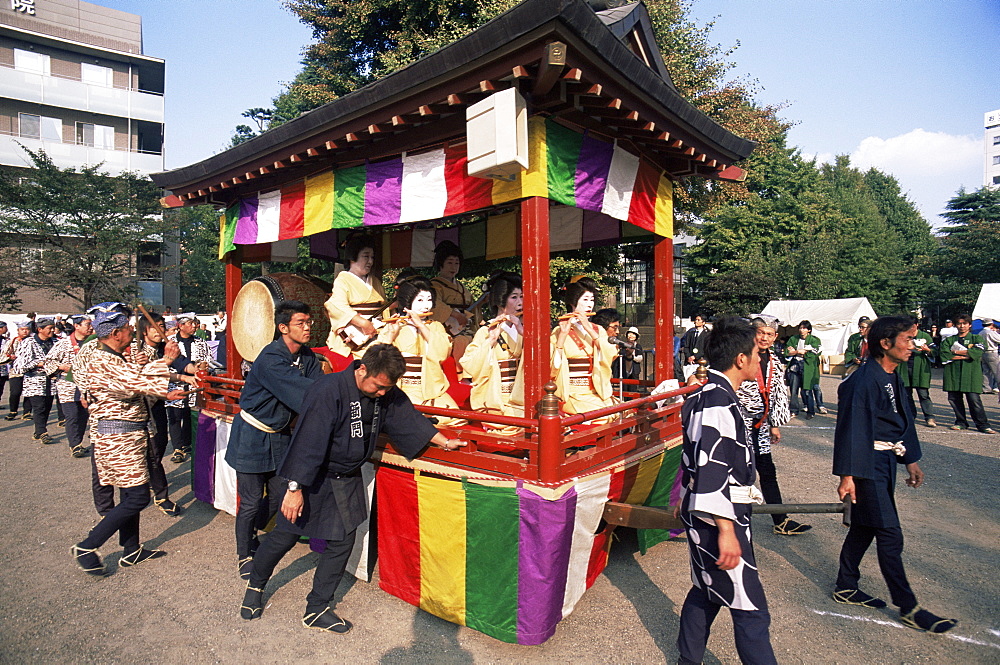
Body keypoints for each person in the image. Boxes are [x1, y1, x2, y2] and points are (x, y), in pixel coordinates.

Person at [239, 344, 465, 632]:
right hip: (312, 477)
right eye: (379, 385)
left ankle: (317, 608)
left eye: (387, 387)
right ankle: (255, 586)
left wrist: (444, 442)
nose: (382, 393)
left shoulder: (383, 391)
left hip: (346, 478)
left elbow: (407, 417)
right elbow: (308, 441)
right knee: (284, 534)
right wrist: (294, 489)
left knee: (342, 542)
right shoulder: (328, 390)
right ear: (361, 369)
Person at [832, 316, 957, 633]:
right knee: (889, 531)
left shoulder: (892, 376)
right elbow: (852, 431)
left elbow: (901, 420)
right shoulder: (862, 381)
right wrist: (847, 476)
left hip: (885, 461)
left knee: (865, 525)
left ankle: (845, 585)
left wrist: (910, 459)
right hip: (866, 465)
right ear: (885, 344)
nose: (912, 346)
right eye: (907, 340)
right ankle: (909, 607)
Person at [677, 316, 777, 665]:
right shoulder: (717, 401)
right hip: (718, 516)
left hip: (711, 508)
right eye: (756, 353)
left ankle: (688, 660)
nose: (760, 360)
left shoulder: (709, 393)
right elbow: (711, 467)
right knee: (750, 609)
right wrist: (727, 531)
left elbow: (693, 456)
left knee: (706, 591)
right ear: (740, 360)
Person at [70, 309, 195, 577]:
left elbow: (137, 373)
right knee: (138, 497)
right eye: (127, 328)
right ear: (115, 334)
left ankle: (131, 550)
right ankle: (87, 545)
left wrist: (172, 379)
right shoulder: (102, 360)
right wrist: (167, 360)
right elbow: (134, 381)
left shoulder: (112, 357)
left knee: (129, 493)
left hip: (130, 435)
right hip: (118, 437)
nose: (131, 331)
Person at [226, 300, 323, 580]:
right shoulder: (270, 358)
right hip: (252, 435)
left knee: (281, 496)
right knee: (252, 500)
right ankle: (244, 553)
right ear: (283, 327)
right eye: (300, 323)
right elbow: (307, 394)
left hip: (281, 436)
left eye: (309, 322)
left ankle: (253, 534)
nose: (307, 328)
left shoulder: (307, 357)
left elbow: (319, 388)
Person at [737, 317, 811, 536]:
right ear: (753, 333)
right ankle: (732, 521)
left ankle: (781, 519)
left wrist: (775, 424)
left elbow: (778, 393)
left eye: (770, 334)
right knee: (740, 472)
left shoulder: (775, 361)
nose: (765, 338)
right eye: (761, 333)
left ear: (775, 337)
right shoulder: (741, 356)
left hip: (761, 424)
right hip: (739, 424)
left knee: (768, 471)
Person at [377, 276, 465, 427]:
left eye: (429, 300)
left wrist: (422, 327)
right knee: (412, 420)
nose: (426, 305)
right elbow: (378, 356)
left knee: (454, 420)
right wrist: (391, 335)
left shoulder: (436, 326)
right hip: (403, 389)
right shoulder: (394, 325)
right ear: (407, 303)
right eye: (420, 300)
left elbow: (443, 353)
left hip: (432, 389)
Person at [131, 312, 184, 517]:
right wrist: (139, 364)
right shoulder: (135, 351)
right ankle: (160, 494)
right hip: (139, 409)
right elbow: (137, 378)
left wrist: (189, 373)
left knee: (159, 445)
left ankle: (150, 479)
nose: (160, 331)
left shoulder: (164, 348)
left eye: (162, 326)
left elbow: (176, 366)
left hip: (158, 404)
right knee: (152, 452)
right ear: (144, 330)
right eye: (155, 327)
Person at [460, 271, 525, 435]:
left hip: (522, 393)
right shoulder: (485, 330)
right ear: (501, 300)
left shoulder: (524, 329)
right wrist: (490, 341)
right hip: (496, 395)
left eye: (522, 297)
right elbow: (469, 363)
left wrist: (522, 331)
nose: (520, 302)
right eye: (514, 297)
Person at [551, 276, 618, 425]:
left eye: (592, 300)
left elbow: (611, 354)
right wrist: (562, 336)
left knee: (621, 413)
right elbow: (553, 367)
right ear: (573, 302)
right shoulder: (558, 330)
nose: (590, 305)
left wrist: (588, 327)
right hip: (574, 393)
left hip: (597, 391)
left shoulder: (598, 329)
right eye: (585, 300)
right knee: (603, 418)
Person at [324, 234, 387, 359]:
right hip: (353, 337)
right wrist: (363, 323)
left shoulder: (375, 281)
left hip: (377, 332)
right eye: (366, 256)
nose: (370, 261)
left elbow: (384, 308)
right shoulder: (343, 279)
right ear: (353, 257)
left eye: (372, 257)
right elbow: (337, 306)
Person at [43, 314, 93, 457]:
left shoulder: (93, 343)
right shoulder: (63, 343)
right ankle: (75, 445)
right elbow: (48, 362)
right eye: (87, 324)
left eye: (91, 324)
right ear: (76, 326)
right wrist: (62, 366)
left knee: (84, 415)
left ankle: (78, 441)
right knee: (72, 415)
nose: (90, 327)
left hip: (87, 384)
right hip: (67, 384)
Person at [165, 313, 210, 462]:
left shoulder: (200, 342)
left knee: (189, 414)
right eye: (190, 323)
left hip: (194, 382)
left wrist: (202, 367)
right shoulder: (169, 342)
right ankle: (177, 448)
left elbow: (206, 360)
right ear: (180, 325)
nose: (194, 326)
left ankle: (186, 443)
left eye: (195, 323)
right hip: (174, 382)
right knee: (174, 416)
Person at [429, 240, 481, 371]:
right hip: (447, 329)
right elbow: (435, 304)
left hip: (465, 327)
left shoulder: (462, 287)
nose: (453, 267)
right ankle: (459, 373)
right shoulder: (435, 285)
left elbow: (472, 306)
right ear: (440, 265)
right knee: (461, 341)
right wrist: (455, 315)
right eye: (449, 263)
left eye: (456, 263)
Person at [938, 314, 994, 434]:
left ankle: (983, 424)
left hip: (971, 374)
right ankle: (960, 422)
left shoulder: (976, 338)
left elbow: (978, 352)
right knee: (954, 399)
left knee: (974, 400)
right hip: (953, 373)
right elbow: (944, 354)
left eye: (964, 323)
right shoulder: (949, 340)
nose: (962, 326)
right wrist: (965, 355)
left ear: (969, 325)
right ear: (955, 325)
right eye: (959, 323)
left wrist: (956, 352)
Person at [14, 317, 58, 443]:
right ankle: (43, 432)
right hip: (34, 381)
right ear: (40, 329)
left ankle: (38, 431)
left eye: (53, 328)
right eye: (50, 328)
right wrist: (39, 363)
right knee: (38, 407)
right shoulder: (28, 342)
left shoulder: (55, 342)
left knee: (47, 407)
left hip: (51, 381)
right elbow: (21, 364)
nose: (53, 330)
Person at [896, 319, 937, 428]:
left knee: (923, 394)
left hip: (920, 368)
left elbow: (935, 350)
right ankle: (911, 416)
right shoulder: (902, 336)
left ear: (916, 325)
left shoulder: (925, 336)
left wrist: (927, 350)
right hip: (905, 367)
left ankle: (929, 417)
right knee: (907, 394)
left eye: (912, 325)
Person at [785, 320, 825, 419]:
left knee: (807, 389)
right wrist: (799, 351)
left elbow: (815, 352)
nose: (801, 330)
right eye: (800, 328)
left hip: (807, 367)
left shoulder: (814, 340)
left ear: (809, 330)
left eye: (804, 328)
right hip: (795, 366)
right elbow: (787, 352)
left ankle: (810, 411)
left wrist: (799, 352)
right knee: (793, 390)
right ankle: (794, 410)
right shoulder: (793, 339)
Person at [3, 321, 33, 421]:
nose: (25, 331)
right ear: (18, 331)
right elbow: (4, 354)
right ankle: (13, 411)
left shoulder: (33, 341)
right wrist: (10, 357)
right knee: (15, 392)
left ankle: (27, 412)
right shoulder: (12, 341)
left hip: (30, 371)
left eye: (27, 329)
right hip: (15, 371)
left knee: (29, 392)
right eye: (22, 329)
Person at [979, 318, 999, 394]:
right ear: (991, 324)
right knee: (997, 371)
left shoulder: (980, 333)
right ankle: (997, 387)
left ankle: (986, 388)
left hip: (983, 353)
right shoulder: (990, 332)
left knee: (986, 371)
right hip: (992, 352)